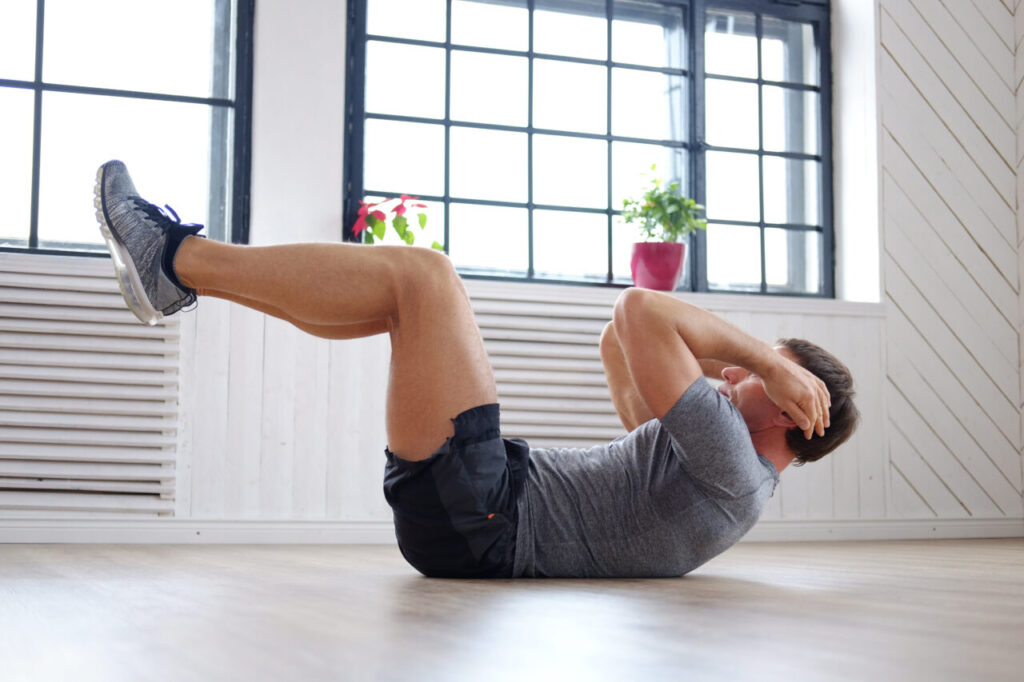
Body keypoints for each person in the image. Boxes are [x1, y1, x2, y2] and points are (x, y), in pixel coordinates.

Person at [93, 160, 859, 579]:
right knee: (404, 297)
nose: (732, 377)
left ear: (794, 412)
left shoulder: (732, 463)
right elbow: (615, 342)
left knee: (422, 277)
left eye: (762, 378)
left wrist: (763, 357)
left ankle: (178, 260)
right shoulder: (713, 464)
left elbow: (638, 310)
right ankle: (184, 275)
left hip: (484, 515)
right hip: (478, 509)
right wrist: (755, 368)